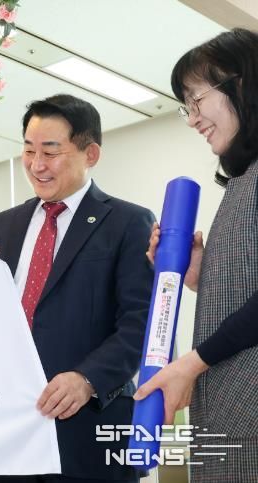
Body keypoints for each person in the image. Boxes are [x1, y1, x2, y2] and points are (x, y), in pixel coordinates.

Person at [0, 94, 154, 482]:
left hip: (88, 431)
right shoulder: (4, 224)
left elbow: (140, 322)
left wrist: (87, 379)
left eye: (50, 151)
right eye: (29, 150)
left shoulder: (128, 222)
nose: (36, 165)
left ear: (90, 154)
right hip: (6, 431)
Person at [134, 28, 258, 482]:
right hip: (228, 417)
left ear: (241, 83)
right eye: (186, 105)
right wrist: (200, 274)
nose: (191, 119)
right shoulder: (241, 181)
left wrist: (192, 362)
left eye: (196, 99)